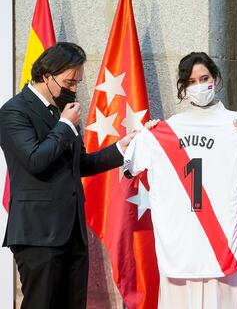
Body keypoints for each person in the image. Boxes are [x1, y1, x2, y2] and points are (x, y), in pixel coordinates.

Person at [0, 42, 136, 309]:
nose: (74, 89)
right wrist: (64, 125)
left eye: (78, 82)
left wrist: (121, 147)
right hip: (37, 234)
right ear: (47, 76)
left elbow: (80, 163)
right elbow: (35, 160)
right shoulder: (14, 111)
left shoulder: (63, 111)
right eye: (69, 82)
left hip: (72, 232)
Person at [124, 52, 237, 309]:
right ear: (184, 87)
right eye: (191, 81)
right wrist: (148, 133)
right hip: (180, 239)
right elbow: (130, 169)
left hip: (221, 236)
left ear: (216, 79)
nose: (199, 86)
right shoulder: (166, 128)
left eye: (204, 78)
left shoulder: (236, 125)